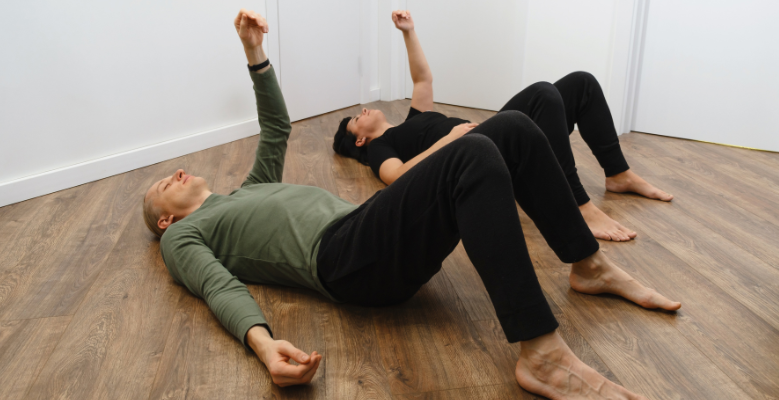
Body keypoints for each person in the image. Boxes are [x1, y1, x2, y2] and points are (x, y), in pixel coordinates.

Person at [143, 9, 680, 399]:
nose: (178, 173)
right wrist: (263, 345)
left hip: (362, 228)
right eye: (165, 183)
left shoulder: (251, 188)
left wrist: (253, 52)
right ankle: (541, 353)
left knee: (514, 127)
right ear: (166, 219)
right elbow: (217, 286)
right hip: (342, 261)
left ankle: (588, 264)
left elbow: (277, 127)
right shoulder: (183, 237)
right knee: (473, 153)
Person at [333, 10, 674, 242]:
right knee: (543, 93)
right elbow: (396, 176)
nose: (363, 111)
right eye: (356, 119)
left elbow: (422, 79)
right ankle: (577, 206)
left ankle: (618, 173)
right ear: (360, 140)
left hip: (492, 134)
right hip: (478, 154)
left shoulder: (413, 121)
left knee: (580, 83)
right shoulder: (380, 147)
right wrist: (449, 139)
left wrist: (408, 32)